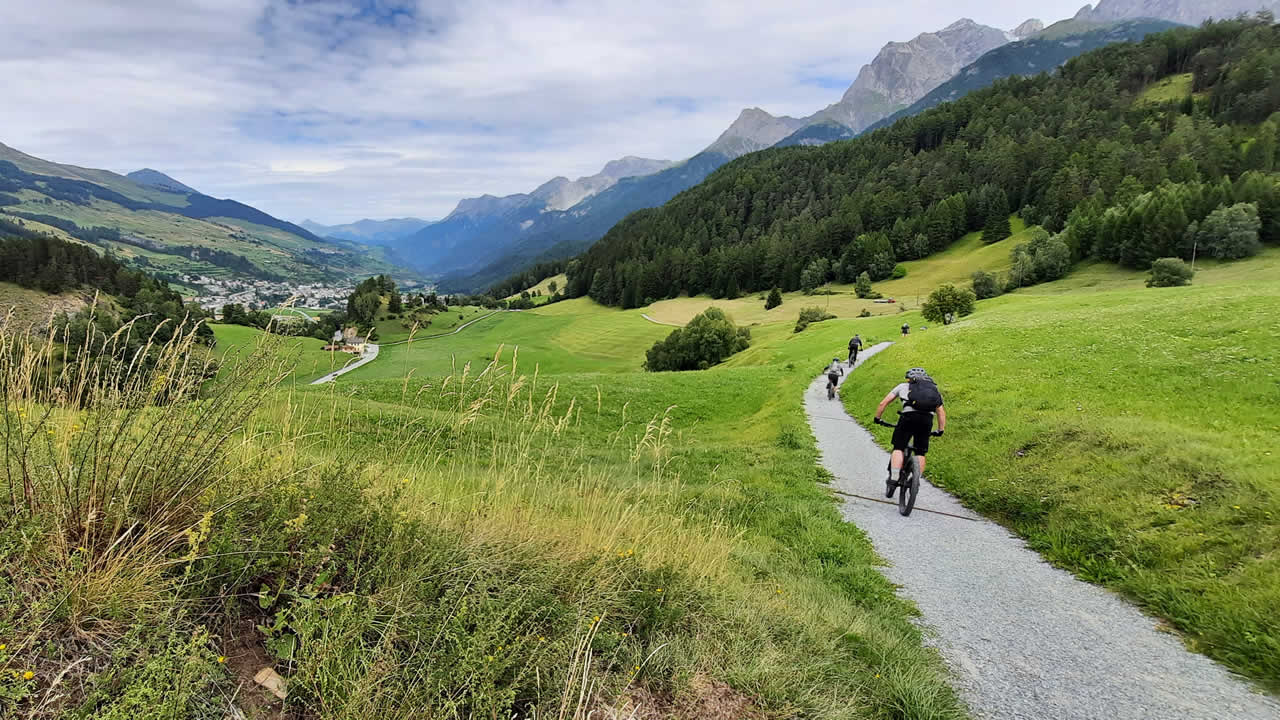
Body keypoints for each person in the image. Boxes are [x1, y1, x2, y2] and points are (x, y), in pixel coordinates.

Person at [874, 367, 946, 497]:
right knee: (920, 451)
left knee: (899, 447)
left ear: (909, 378)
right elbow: (941, 412)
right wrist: (940, 430)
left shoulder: (903, 386)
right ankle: (915, 480)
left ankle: (894, 476)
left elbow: (883, 403)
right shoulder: (933, 390)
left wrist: (877, 418)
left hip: (908, 418)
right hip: (926, 421)